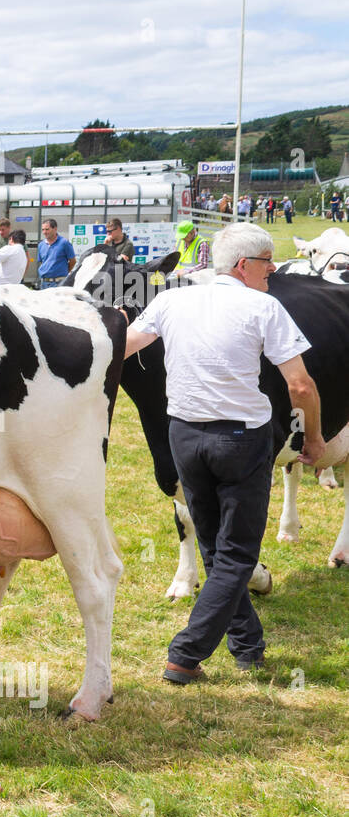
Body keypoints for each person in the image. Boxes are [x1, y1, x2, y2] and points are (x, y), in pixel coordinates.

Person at [122, 223, 323, 685]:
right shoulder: (264, 306)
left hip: (184, 438)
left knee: (214, 548)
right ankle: (184, 655)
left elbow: (125, 346)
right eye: (267, 259)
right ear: (242, 265)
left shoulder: (171, 299)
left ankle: (248, 647)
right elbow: (300, 384)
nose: (273, 268)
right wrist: (312, 438)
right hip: (242, 440)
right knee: (236, 555)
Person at [36, 218, 76, 288]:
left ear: (55, 229)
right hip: (44, 283)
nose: (44, 232)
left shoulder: (64, 243)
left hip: (59, 283)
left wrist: (63, 274)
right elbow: (43, 262)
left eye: (47, 229)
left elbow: (73, 261)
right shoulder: (41, 245)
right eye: (43, 229)